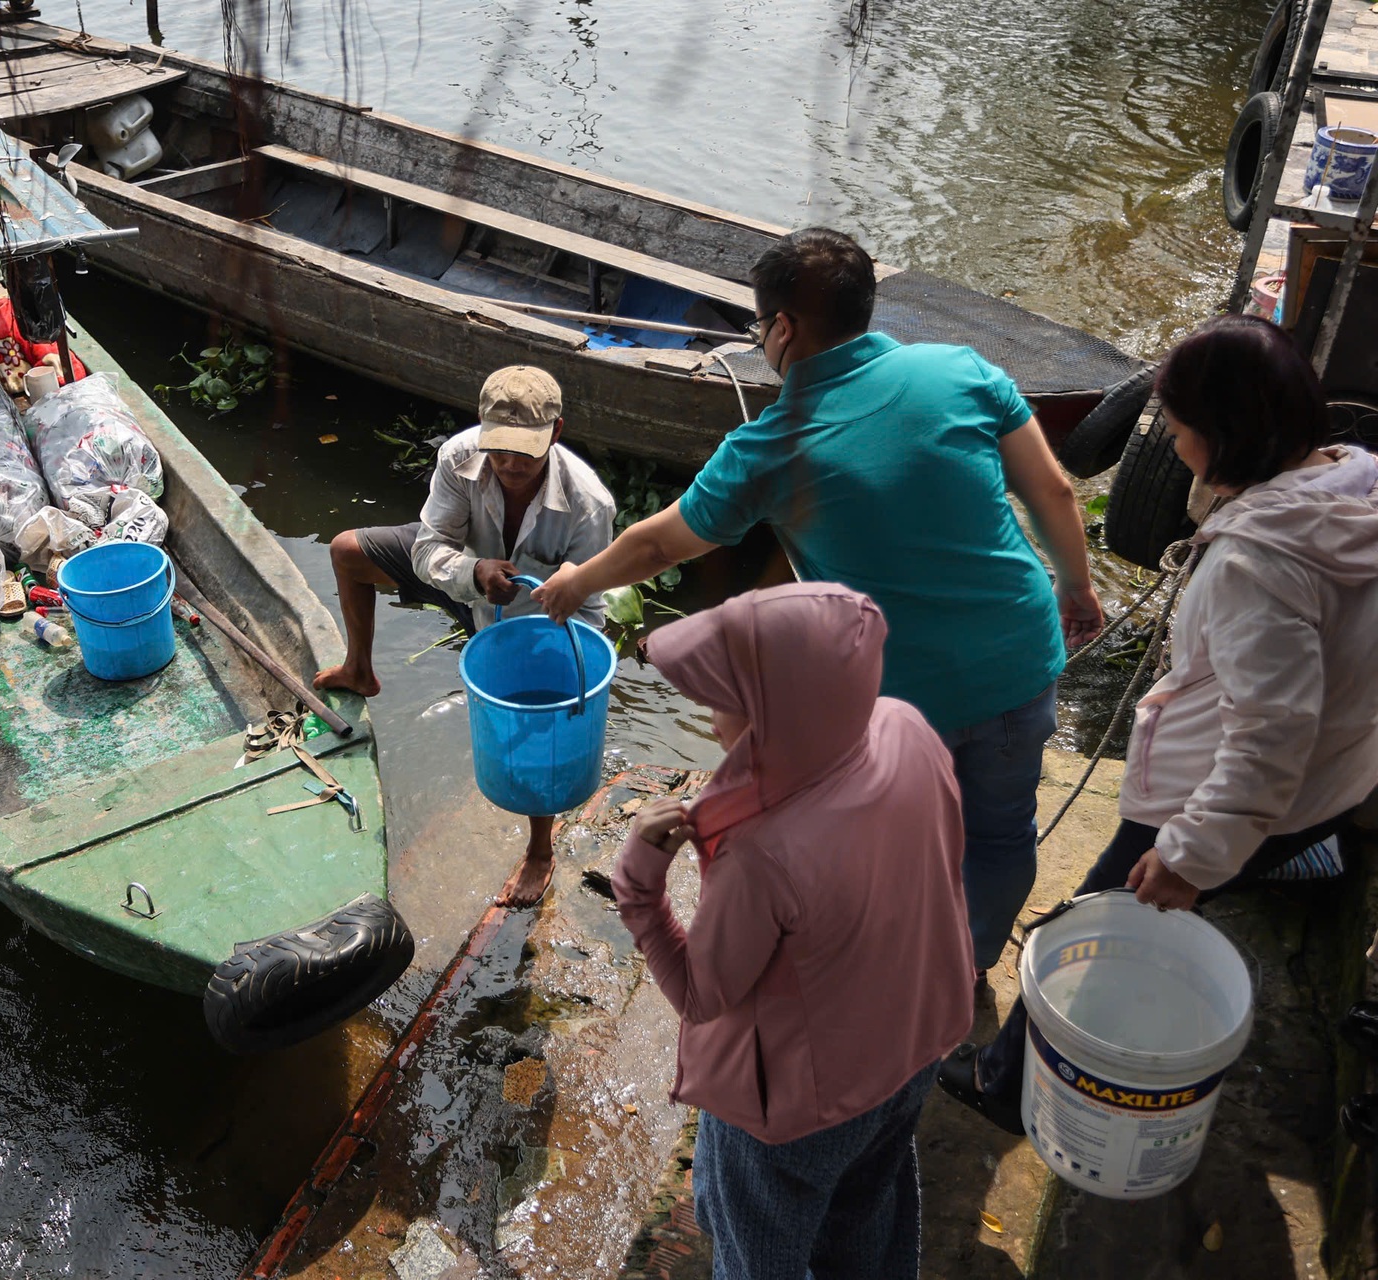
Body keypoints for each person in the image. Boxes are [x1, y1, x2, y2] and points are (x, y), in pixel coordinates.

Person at [535, 227, 1104, 980]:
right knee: (1000, 836)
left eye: (759, 327)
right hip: (1021, 658)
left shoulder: (767, 446)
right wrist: (1076, 586)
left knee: (895, 844)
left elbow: (657, 547)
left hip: (905, 698)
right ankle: (967, 970)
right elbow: (1053, 492)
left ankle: (905, 981)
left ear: (782, 328)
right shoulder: (959, 368)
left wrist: (574, 583)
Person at [939, 314, 1378, 1132]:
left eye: (1177, 432)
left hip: (1207, 794)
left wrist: (1191, 855)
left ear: (1224, 436)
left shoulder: (1258, 562)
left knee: (1097, 920)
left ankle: (1005, 1086)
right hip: (1334, 778)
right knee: (1186, 880)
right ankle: (1287, 854)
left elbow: (1270, 736)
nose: (1172, 447)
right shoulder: (1359, 483)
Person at [614, 584, 973, 1280]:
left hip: (803, 1109)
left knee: (760, 1250)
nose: (708, 717)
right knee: (866, 1209)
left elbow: (700, 996)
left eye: (721, 700)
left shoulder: (760, 851)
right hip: (914, 1046)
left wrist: (639, 882)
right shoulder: (904, 726)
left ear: (771, 721)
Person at [313, 365, 616, 907]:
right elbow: (429, 548)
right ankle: (359, 669)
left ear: (556, 433)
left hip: (524, 617)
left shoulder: (589, 503)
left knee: (536, 710)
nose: (510, 465)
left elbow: (588, 611)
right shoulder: (459, 457)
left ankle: (539, 851)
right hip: (465, 573)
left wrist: (564, 671)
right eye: (500, 450)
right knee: (347, 552)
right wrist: (473, 572)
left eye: (526, 453)